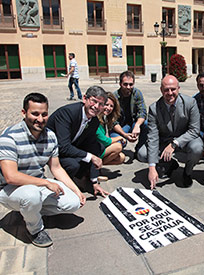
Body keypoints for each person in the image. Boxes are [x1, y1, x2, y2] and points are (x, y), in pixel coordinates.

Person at [0, 93, 85, 248]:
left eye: (44, 114)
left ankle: (30, 211)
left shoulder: (50, 136)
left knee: (73, 203)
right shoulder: (9, 137)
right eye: (35, 114)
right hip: (9, 189)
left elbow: (56, 168)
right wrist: (46, 183)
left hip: (38, 184)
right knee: (30, 195)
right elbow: (11, 177)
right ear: (24, 113)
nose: (40, 119)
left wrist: (76, 190)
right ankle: (35, 230)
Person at [137, 75, 204, 190]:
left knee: (197, 148)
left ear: (178, 88)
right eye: (166, 89)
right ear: (161, 90)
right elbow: (153, 137)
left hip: (185, 139)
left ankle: (187, 172)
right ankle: (169, 164)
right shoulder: (154, 108)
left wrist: (175, 143)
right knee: (142, 154)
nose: (170, 93)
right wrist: (151, 168)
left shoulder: (190, 103)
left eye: (173, 89)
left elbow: (194, 130)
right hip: (164, 140)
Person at [47, 86, 109, 197]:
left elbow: (92, 147)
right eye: (94, 101)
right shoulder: (68, 113)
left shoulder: (94, 121)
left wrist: (95, 181)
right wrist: (90, 157)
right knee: (73, 164)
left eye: (100, 104)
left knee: (99, 147)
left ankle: (84, 178)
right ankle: (60, 187)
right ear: (85, 99)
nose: (96, 107)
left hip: (70, 147)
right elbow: (63, 146)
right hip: (53, 151)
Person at [110, 71, 148, 157]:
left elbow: (143, 112)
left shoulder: (137, 93)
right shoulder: (114, 97)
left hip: (133, 123)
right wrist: (125, 135)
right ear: (120, 84)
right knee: (119, 144)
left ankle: (139, 148)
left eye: (131, 84)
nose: (128, 87)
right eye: (125, 84)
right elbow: (113, 121)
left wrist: (137, 125)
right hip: (120, 126)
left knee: (145, 124)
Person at [96, 92, 126, 165]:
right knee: (118, 147)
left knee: (121, 157)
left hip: (98, 148)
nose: (109, 108)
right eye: (106, 105)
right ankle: (92, 170)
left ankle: (95, 167)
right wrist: (119, 138)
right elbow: (104, 141)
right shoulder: (95, 118)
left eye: (111, 106)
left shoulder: (103, 118)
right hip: (91, 150)